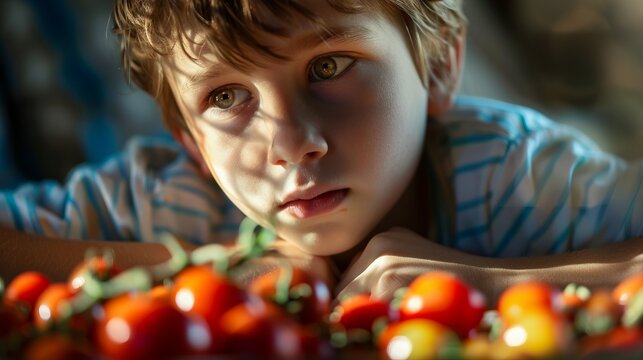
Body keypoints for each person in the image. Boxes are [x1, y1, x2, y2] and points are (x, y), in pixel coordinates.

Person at [0, 0, 641, 303]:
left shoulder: (511, 173)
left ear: (439, 65)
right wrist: (200, 273)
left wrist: (497, 282)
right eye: (225, 99)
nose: (290, 144)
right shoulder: (169, 201)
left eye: (329, 65)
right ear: (189, 140)